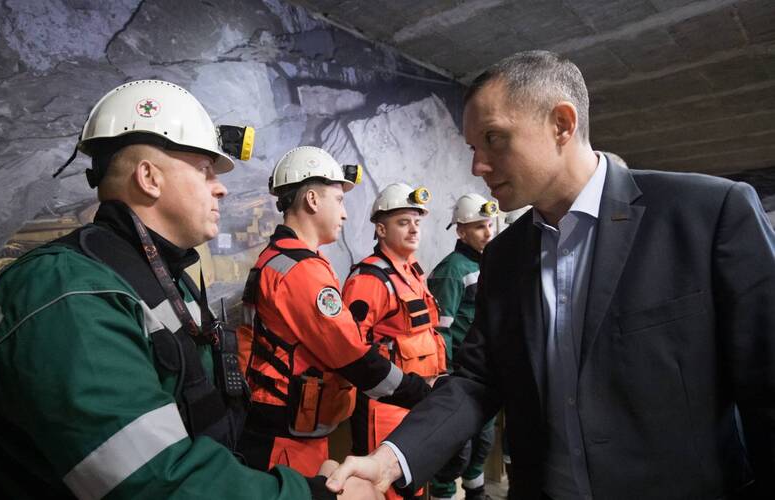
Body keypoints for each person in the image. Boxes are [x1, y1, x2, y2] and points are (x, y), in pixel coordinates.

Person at [326, 50, 775, 500]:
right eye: (472, 148)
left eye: (494, 139)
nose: (477, 166)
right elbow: (478, 379)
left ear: (561, 123)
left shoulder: (706, 215)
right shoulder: (504, 256)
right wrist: (390, 460)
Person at [0, 80, 379, 499]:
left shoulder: (160, 277)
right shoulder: (67, 293)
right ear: (149, 177)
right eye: (204, 170)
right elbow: (152, 482)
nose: (220, 187)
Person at [236, 147, 432, 479]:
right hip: (286, 439)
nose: (344, 214)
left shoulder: (281, 259)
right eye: (339, 201)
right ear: (312, 200)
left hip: (286, 427)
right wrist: (422, 393)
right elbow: (352, 355)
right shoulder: (301, 270)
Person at [341, 182, 447, 500]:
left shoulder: (412, 273)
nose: (414, 229)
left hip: (418, 399)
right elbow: (351, 351)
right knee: (385, 489)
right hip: (384, 406)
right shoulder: (370, 279)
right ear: (381, 229)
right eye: (403, 222)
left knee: (412, 484)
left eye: (417, 221)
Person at [427, 193, 498, 500]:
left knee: (483, 440)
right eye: (479, 226)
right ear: (461, 232)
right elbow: (439, 331)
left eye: (489, 225)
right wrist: (445, 375)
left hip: (486, 372)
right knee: (457, 446)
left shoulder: (489, 264)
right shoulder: (452, 270)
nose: (488, 232)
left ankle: (476, 492)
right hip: (460, 374)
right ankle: (444, 493)